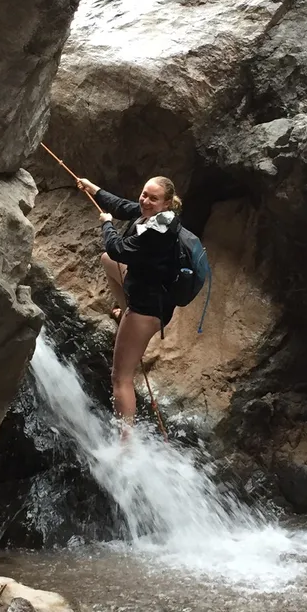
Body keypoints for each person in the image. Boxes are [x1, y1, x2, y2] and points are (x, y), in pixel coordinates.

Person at [75, 174, 182, 428]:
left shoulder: (159, 230)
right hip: (148, 292)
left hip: (148, 309)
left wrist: (107, 224)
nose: (145, 201)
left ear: (166, 203)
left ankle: (127, 445)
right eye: (144, 194)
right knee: (106, 261)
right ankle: (125, 312)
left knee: (120, 378)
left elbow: (119, 249)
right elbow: (125, 206)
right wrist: (95, 188)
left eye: (153, 198)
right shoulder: (156, 214)